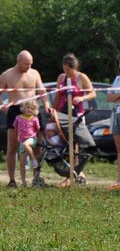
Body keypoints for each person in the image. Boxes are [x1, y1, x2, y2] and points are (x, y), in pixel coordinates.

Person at [0, 50, 52, 188]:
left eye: (31, 63)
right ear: (18, 61)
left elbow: (42, 91)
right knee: (13, 146)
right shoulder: (7, 75)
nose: (29, 66)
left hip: (33, 110)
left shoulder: (34, 73)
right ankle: (12, 179)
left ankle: (36, 178)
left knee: (37, 145)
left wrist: (46, 104)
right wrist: (4, 108)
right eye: (26, 63)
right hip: (15, 110)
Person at [52, 53, 97, 187]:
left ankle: (75, 173)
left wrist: (81, 98)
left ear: (74, 67)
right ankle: (71, 174)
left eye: (68, 69)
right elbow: (57, 96)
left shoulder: (81, 77)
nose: (66, 72)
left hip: (77, 114)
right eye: (64, 68)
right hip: (62, 113)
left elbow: (93, 93)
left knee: (75, 144)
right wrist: (52, 111)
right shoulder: (61, 77)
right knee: (66, 144)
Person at [14, 99, 41, 187]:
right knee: (22, 163)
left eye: (32, 108)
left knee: (26, 144)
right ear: (23, 108)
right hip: (22, 141)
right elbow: (16, 129)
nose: (29, 109)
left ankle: (33, 160)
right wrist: (16, 137)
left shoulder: (34, 119)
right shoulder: (18, 118)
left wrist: (38, 140)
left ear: (35, 110)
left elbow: (37, 130)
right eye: (28, 107)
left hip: (32, 139)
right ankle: (23, 182)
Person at [106, 55, 120, 190]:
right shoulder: (117, 79)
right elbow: (108, 97)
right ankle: (119, 180)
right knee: (118, 149)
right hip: (116, 114)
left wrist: (115, 97)